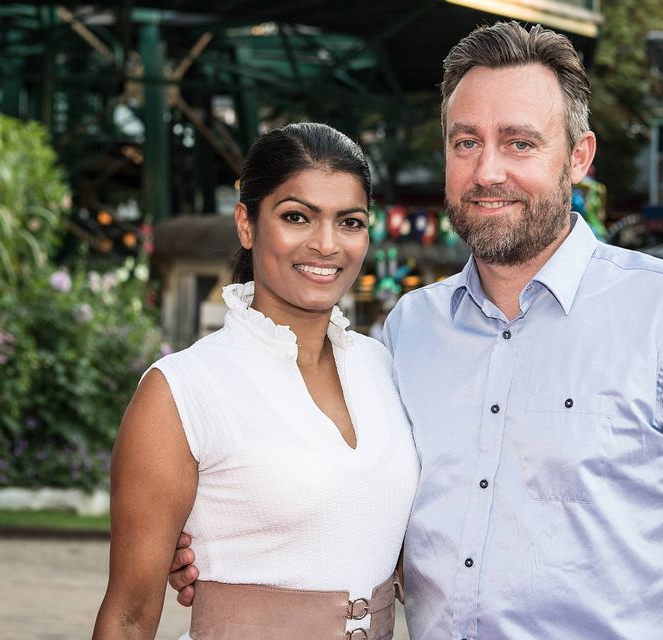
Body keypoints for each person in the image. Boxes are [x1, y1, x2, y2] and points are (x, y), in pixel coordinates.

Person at [170, 22, 663, 638]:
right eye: (466, 142)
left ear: (578, 157)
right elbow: (353, 496)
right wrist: (221, 530)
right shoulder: (408, 332)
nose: (487, 171)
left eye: (520, 143)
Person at [93, 123, 419, 639]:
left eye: (350, 222)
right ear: (246, 224)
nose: (326, 244)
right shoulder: (182, 390)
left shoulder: (383, 368)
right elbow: (128, 618)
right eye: (296, 217)